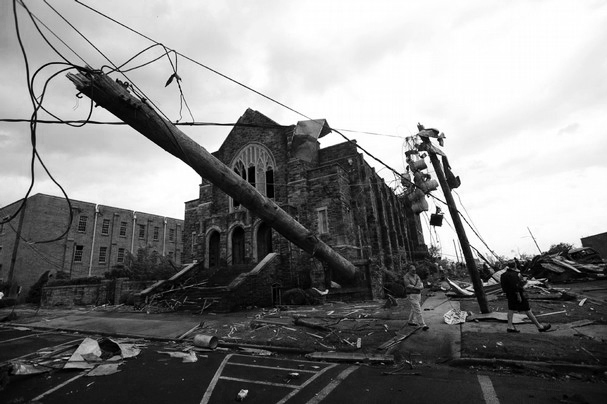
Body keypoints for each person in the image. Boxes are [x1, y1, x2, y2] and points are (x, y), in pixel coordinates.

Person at [500, 261, 551, 333]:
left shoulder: (503, 275)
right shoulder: (516, 274)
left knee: (511, 310)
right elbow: (517, 285)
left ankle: (509, 326)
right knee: (527, 309)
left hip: (509, 294)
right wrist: (519, 294)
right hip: (518, 294)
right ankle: (539, 327)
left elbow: (504, 286)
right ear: (515, 266)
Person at [404, 264, 429, 330]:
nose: (414, 271)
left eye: (415, 270)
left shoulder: (416, 276)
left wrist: (419, 287)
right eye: (412, 270)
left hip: (418, 294)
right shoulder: (406, 276)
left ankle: (410, 321)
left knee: (414, 308)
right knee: (418, 309)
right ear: (409, 270)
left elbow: (420, 283)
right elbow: (408, 285)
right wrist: (416, 287)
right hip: (411, 295)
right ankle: (422, 324)